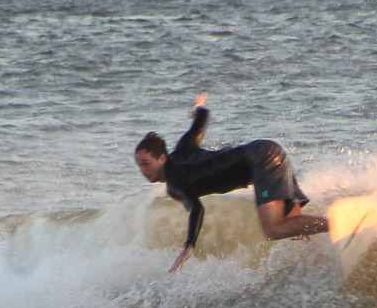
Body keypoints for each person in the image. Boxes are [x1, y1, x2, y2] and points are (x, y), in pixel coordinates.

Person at [135, 94, 328, 273]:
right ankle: (325, 254)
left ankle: (337, 224)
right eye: (139, 165)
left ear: (162, 158)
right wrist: (200, 107)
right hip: (268, 149)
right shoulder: (183, 147)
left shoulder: (174, 181)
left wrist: (189, 246)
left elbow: (196, 209)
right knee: (294, 228)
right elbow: (199, 124)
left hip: (261, 158)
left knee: (274, 228)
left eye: (146, 163)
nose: (143, 171)